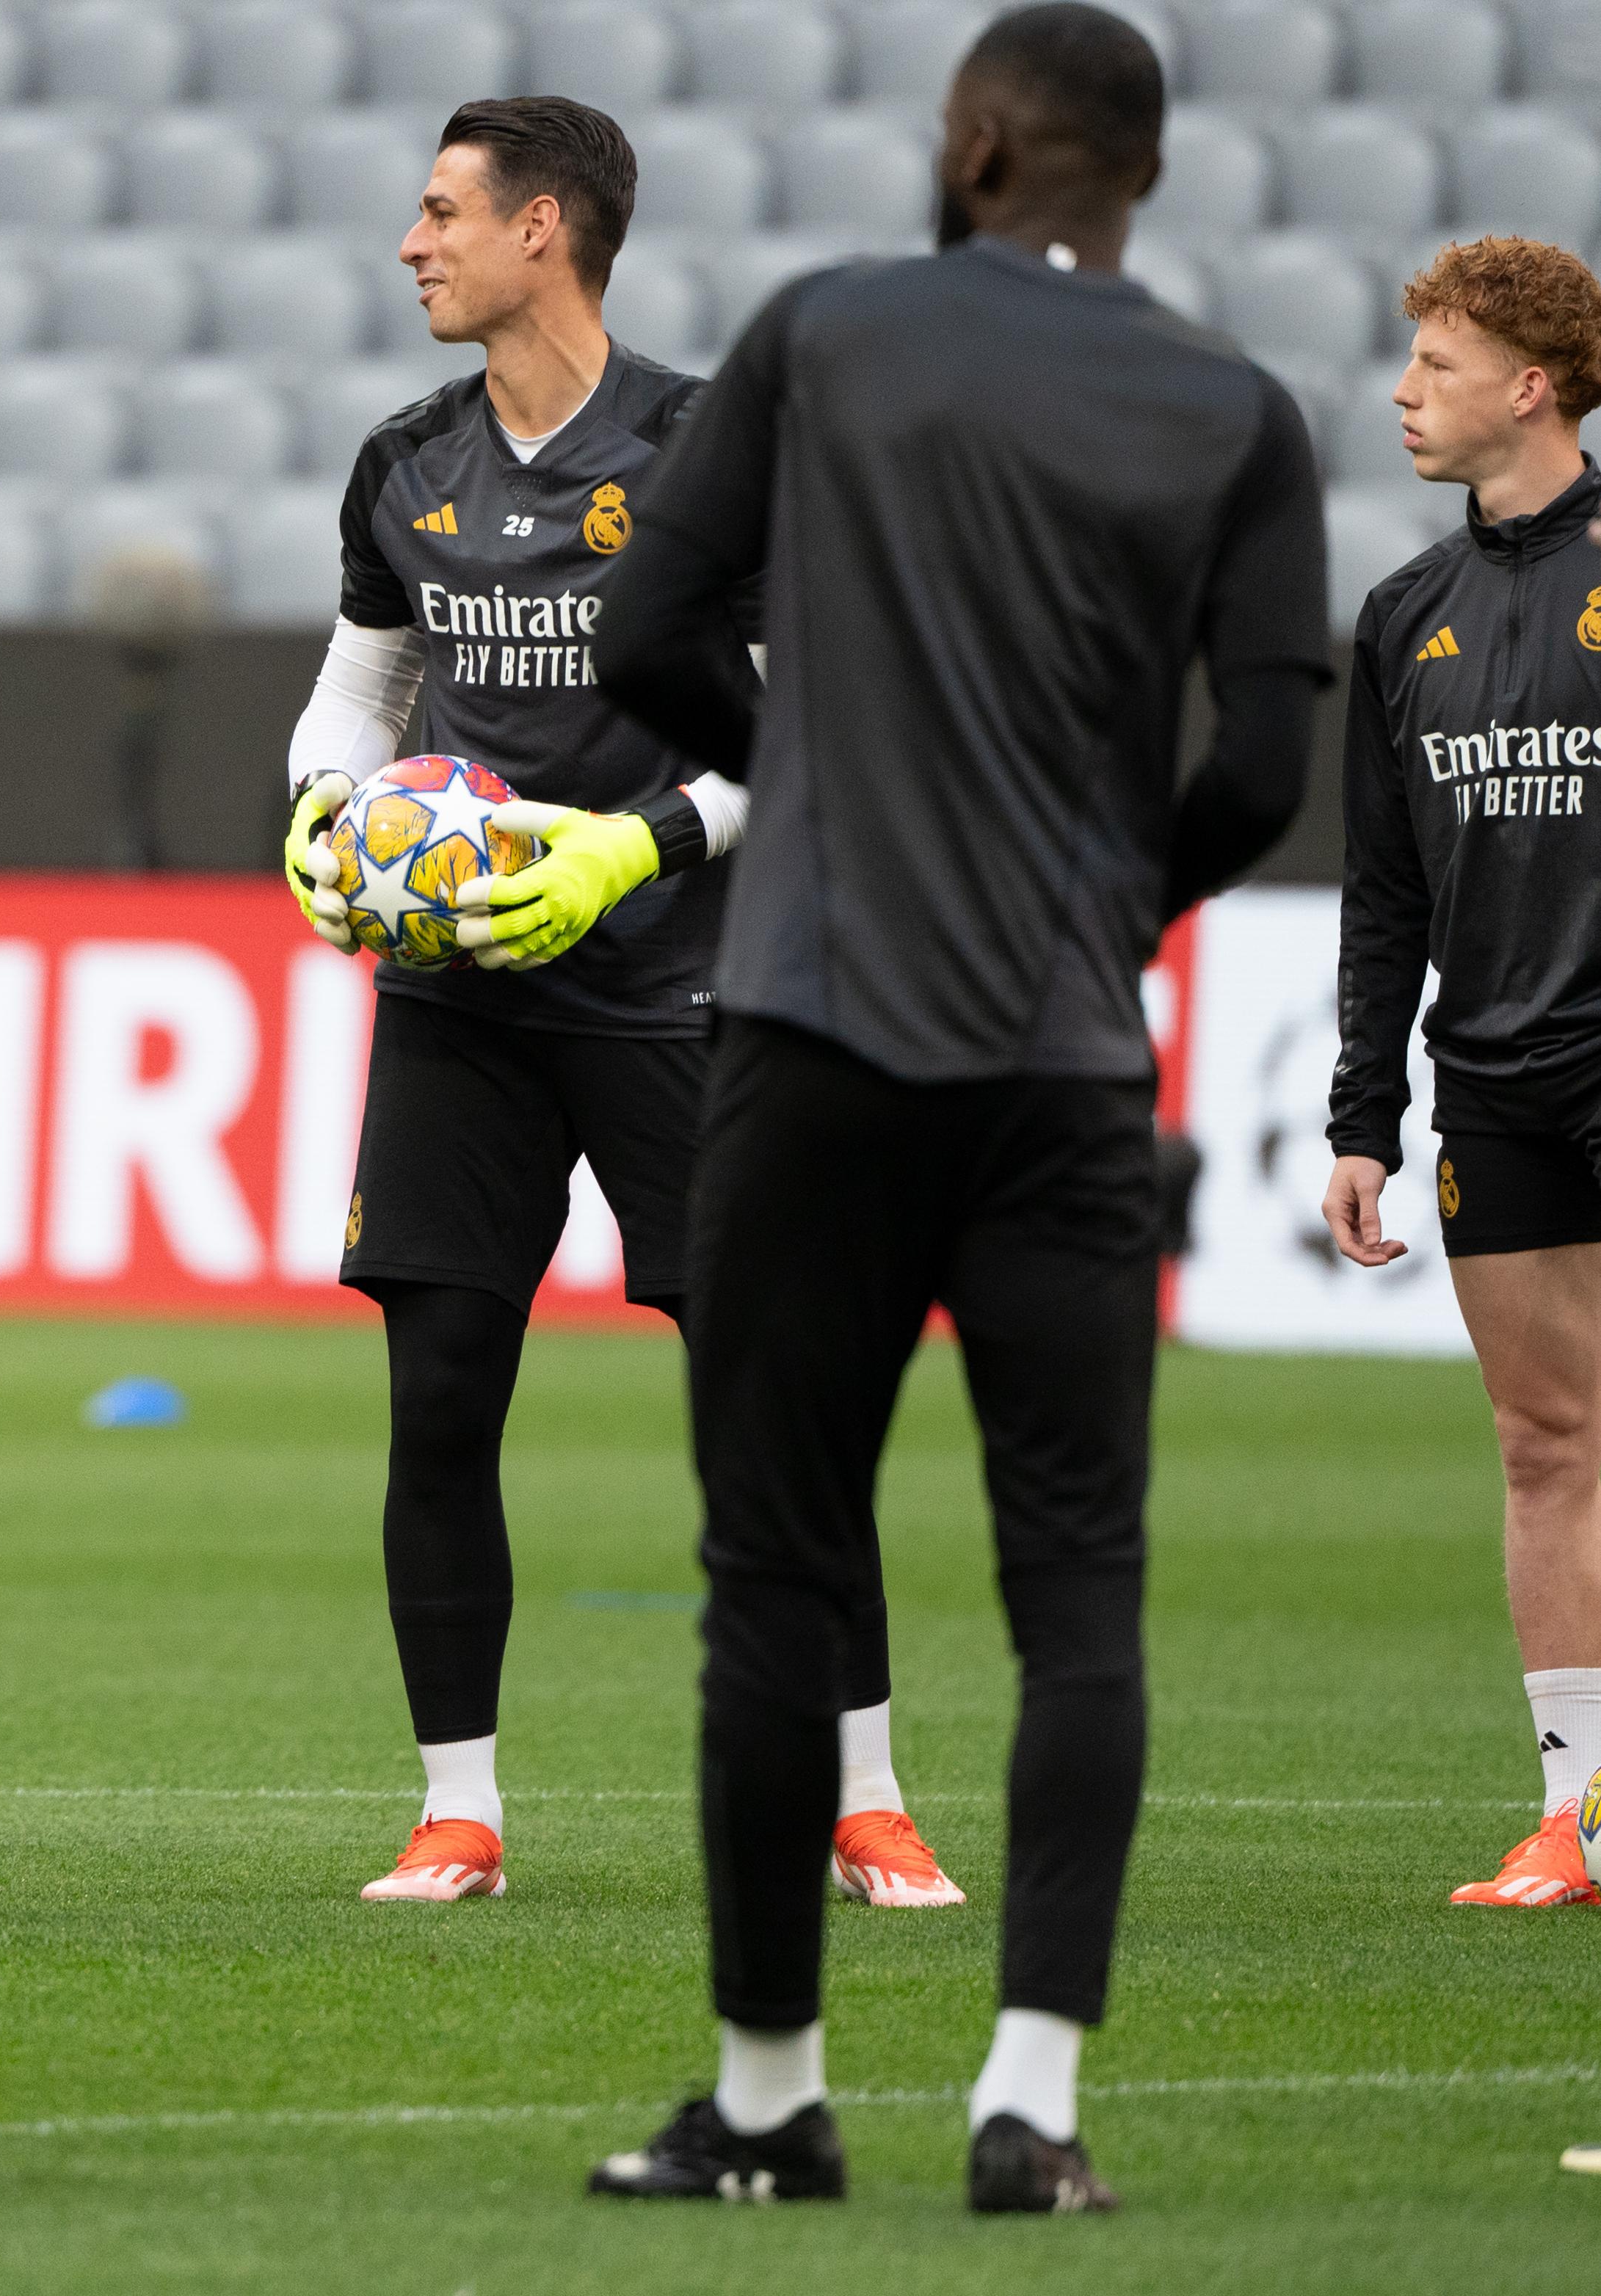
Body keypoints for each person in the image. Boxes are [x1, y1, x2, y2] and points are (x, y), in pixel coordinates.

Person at [570, 4, 1325, 2212]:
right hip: (1060, 1074)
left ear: (976, 146)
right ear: (1142, 175)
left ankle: (764, 2094)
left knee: (769, 1577)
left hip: (807, 1036)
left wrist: (790, 779)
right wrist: (1108, 901)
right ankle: (1029, 2104)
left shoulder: (823, 335)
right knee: (1075, 1588)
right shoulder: (1231, 408)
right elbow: (1271, 763)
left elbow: (637, 632)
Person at [279, 98, 960, 1911]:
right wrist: (318, 813)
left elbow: (801, 727)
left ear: (545, 228)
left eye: (440, 213)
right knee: (440, 1395)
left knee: (770, 1397)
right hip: (459, 999)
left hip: (689, 993)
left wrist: (627, 847)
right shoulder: (402, 461)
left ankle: (865, 1790)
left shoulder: (708, 450)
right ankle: (457, 1806)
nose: (411, 242)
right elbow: (361, 694)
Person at [1324, 238, 1601, 1911]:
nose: (1403, 391)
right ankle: (1570, 1811)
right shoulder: (1400, 616)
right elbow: (1386, 892)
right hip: (1491, 1083)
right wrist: (1366, 1114)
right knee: (1543, 1443)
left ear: (1534, 383)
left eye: (1435, 362)